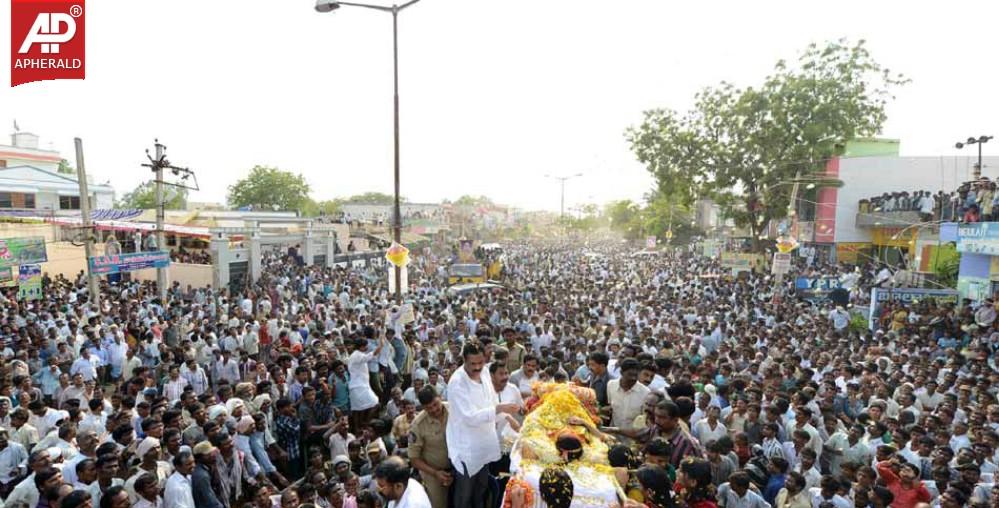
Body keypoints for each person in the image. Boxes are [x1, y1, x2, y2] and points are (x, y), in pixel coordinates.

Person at [445, 341, 519, 507]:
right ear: (464, 360)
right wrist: (500, 408)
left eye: (481, 362)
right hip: (467, 448)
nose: (478, 367)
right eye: (473, 364)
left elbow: (490, 402)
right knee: (464, 495)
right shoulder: (457, 383)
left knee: (481, 490)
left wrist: (506, 417)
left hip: (484, 443)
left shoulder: (485, 372)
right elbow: (470, 417)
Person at [407, 386, 451, 508]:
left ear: (440, 398)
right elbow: (414, 459)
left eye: (436, 404)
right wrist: (436, 473)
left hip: (458, 468)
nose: (434, 409)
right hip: (433, 473)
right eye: (428, 408)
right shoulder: (417, 425)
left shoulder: (453, 409)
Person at [191, 441, 224, 508]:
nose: (213, 455)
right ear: (201, 457)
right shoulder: (202, 476)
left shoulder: (207, 468)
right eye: (209, 454)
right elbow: (211, 502)